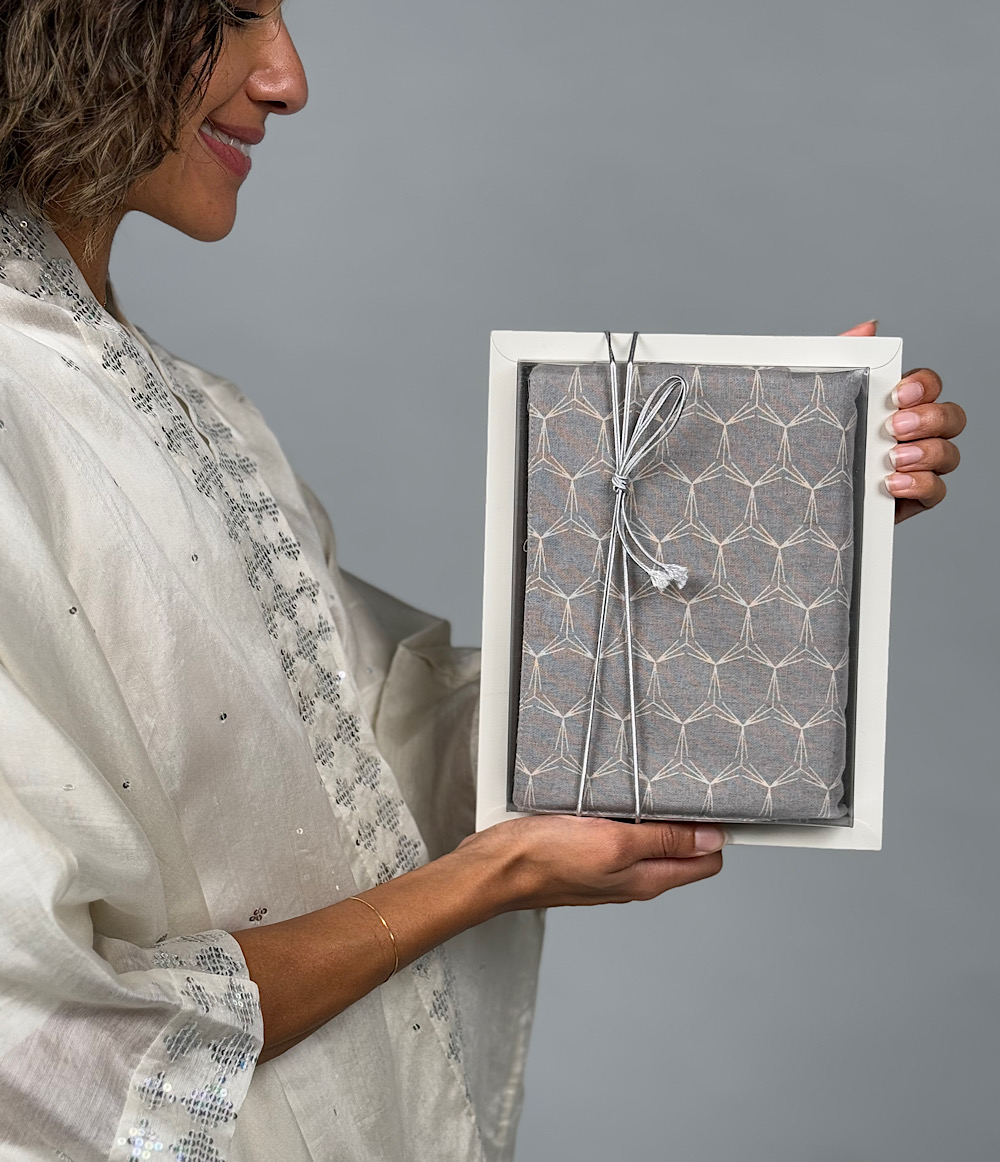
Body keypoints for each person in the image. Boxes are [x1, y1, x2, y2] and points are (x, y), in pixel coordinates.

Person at [0, 3, 966, 1160]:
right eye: (229, 13)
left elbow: (375, 766)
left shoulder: (184, 407)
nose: (288, 78)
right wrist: (490, 877)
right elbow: (47, 1048)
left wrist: (773, 526)